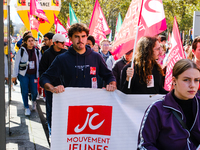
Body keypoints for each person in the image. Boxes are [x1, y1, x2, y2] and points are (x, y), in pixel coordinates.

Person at [138, 59, 200, 150]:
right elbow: (144, 146)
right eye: (186, 80)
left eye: (196, 80)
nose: (192, 85)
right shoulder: (157, 109)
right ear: (174, 81)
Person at [40, 23, 116, 93]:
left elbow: (109, 76)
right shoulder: (62, 59)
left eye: (83, 36)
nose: (80, 40)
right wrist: (52, 88)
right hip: (70, 103)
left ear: (87, 37)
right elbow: (44, 78)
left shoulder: (96, 57)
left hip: (91, 102)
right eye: (77, 36)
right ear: (70, 38)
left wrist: (112, 84)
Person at [39, 34, 67, 137]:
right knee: (51, 108)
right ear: (55, 43)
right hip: (50, 87)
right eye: (62, 42)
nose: (64, 44)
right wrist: (47, 85)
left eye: (65, 42)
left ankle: (62, 131)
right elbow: (42, 71)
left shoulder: (66, 53)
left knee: (63, 109)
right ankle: (51, 132)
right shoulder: (47, 54)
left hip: (64, 87)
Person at [12, 35, 42, 116]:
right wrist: (14, 76)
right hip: (23, 74)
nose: (31, 42)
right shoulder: (21, 51)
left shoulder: (37, 51)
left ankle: (33, 101)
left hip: (34, 75)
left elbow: (40, 63)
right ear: (25, 42)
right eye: (29, 41)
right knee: (24, 91)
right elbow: (16, 64)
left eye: (32, 40)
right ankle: (26, 107)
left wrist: (40, 74)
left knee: (34, 92)